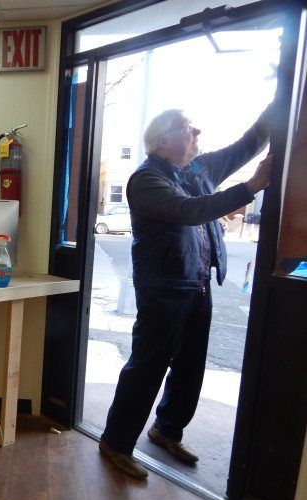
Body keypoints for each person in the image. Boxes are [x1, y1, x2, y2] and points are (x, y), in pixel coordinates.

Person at [99, 107, 273, 479]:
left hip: (198, 283)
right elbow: (188, 210)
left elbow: (249, 143)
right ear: (163, 140)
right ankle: (115, 441)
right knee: (148, 366)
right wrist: (250, 187)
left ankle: (166, 430)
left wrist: (281, 95)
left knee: (190, 365)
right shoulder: (145, 180)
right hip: (163, 290)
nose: (197, 133)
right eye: (188, 129)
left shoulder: (199, 169)